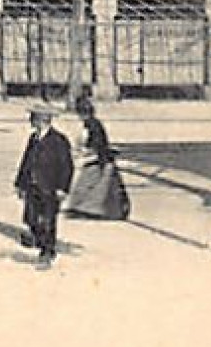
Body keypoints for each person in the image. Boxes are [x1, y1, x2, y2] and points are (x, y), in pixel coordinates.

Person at [14, 101, 74, 269]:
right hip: (32, 186)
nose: (30, 121)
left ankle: (47, 252)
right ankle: (42, 243)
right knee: (31, 219)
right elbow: (26, 162)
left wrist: (63, 188)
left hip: (50, 188)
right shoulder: (33, 138)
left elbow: (66, 166)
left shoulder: (58, 140)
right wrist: (20, 184)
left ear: (43, 120)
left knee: (48, 221)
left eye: (33, 118)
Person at [65, 100, 130, 221]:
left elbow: (97, 144)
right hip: (98, 159)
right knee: (91, 186)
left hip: (97, 160)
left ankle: (84, 209)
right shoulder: (93, 124)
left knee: (89, 186)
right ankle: (83, 208)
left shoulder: (92, 125)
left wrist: (86, 151)